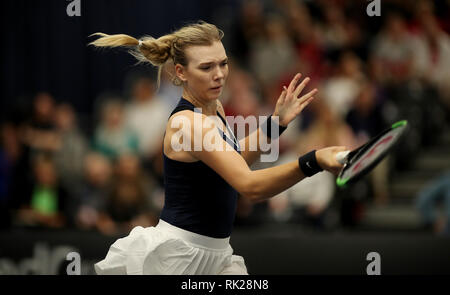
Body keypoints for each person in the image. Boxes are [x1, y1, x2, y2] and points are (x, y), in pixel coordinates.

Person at [89, 21, 346, 275]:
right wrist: (315, 161)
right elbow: (249, 186)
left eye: (223, 63)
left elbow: (232, 160)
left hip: (218, 256)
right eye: (206, 67)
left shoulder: (214, 108)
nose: (219, 74)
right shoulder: (188, 124)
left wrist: (275, 125)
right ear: (181, 72)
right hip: (180, 258)